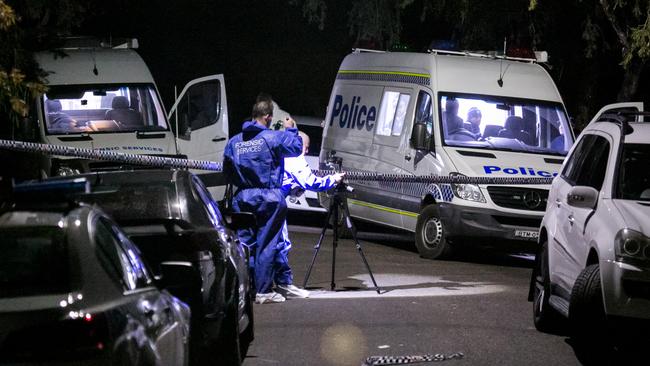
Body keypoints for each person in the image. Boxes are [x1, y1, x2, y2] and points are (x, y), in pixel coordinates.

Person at [223, 98, 303, 304]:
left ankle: (244, 290)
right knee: (267, 244)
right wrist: (291, 129)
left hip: (243, 197)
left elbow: (228, 171)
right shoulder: (273, 138)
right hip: (268, 198)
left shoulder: (234, 141)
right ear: (267, 117)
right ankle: (264, 291)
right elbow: (295, 148)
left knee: (244, 245)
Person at [274, 131, 345, 298]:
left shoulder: (278, 154)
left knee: (262, 246)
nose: (306, 152)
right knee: (282, 244)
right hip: (274, 205)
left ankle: (260, 286)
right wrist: (333, 179)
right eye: (305, 147)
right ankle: (284, 284)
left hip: (259, 201)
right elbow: (311, 182)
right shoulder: (295, 159)